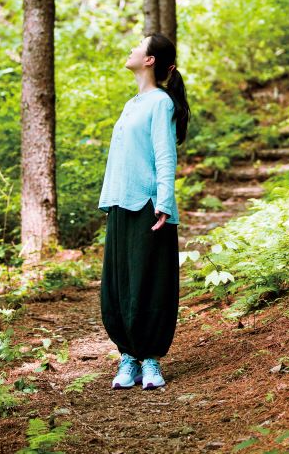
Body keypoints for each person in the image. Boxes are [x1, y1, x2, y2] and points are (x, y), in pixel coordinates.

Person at [97, 33, 190, 390]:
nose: (132, 48)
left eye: (140, 44)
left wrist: (164, 204)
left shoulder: (160, 103)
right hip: (121, 204)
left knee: (150, 284)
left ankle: (150, 360)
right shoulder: (132, 104)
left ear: (149, 60)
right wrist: (110, 202)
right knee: (119, 285)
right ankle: (128, 357)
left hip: (150, 206)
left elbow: (165, 155)